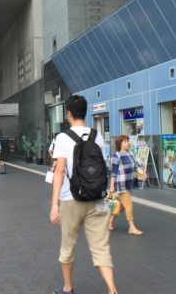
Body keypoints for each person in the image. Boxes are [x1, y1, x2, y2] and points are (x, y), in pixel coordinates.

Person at [50, 95, 118, 294]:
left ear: (68, 114)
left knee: (68, 246)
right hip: (96, 198)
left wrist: (54, 204)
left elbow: (59, 171)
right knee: (101, 248)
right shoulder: (98, 136)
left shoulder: (62, 138)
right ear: (85, 112)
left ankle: (68, 288)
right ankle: (112, 290)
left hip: (71, 200)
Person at [108, 135, 144, 235]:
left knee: (121, 206)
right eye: (125, 142)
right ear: (120, 144)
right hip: (121, 184)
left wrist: (143, 173)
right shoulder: (117, 155)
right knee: (129, 205)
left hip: (129, 184)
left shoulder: (130, 153)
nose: (127, 143)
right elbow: (114, 172)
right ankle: (132, 228)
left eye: (127, 141)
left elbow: (137, 166)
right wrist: (112, 186)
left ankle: (110, 221)